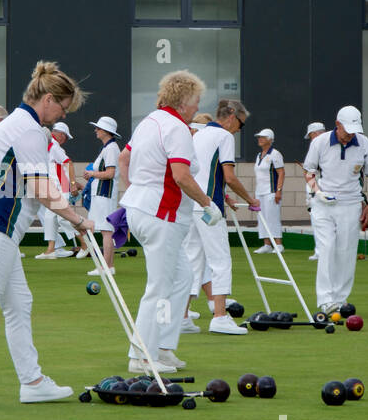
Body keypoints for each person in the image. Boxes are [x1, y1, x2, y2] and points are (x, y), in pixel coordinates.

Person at [0, 62, 91, 409]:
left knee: (19, 304)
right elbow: (39, 187)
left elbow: (34, 184)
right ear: (49, 99)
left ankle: (33, 382)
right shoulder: (28, 129)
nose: (60, 116)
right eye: (62, 108)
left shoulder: (20, 125)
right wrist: (78, 221)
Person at [117, 70, 222, 375]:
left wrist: (134, 191)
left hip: (145, 210)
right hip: (162, 214)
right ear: (185, 100)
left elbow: (125, 160)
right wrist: (207, 203)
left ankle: (161, 347)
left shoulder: (148, 122)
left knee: (181, 278)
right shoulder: (176, 128)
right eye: (196, 101)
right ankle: (141, 355)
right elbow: (181, 176)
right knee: (160, 285)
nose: (198, 106)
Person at [182, 98, 258, 336]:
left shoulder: (198, 135)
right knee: (221, 260)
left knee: (193, 261)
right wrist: (251, 199)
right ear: (232, 116)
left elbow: (203, 173)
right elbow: (230, 176)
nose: (239, 130)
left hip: (192, 204)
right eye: (241, 125)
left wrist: (225, 196)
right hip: (209, 208)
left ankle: (182, 317)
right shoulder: (225, 137)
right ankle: (219, 317)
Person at [302, 106, 368, 315]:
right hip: (323, 204)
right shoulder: (320, 142)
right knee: (326, 249)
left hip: (351, 203)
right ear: (337, 125)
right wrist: (317, 192)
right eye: (347, 130)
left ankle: (341, 298)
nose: (350, 135)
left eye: (354, 130)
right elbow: (308, 172)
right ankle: (326, 300)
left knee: (346, 252)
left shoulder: (364, 143)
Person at [81, 115, 123, 276]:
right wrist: (92, 175)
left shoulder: (111, 148)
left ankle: (106, 267)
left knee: (106, 230)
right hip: (101, 194)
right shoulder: (108, 148)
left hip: (104, 194)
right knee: (106, 230)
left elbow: (111, 173)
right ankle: (108, 266)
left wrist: (92, 173)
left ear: (106, 131)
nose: (96, 130)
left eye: (98, 128)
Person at [36, 122, 78, 259]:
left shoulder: (54, 147)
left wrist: (72, 184)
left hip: (61, 188)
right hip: (55, 188)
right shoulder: (50, 146)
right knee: (49, 218)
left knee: (63, 218)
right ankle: (51, 250)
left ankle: (84, 244)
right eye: (66, 137)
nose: (65, 140)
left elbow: (68, 163)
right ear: (60, 135)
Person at [252, 128, 285, 253]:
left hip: (271, 191)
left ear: (270, 140)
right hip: (259, 191)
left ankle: (279, 244)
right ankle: (267, 244)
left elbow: (281, 173)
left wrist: (279, 191)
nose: (260, 139)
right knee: (262, 218)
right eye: (259, 137)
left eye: (263, 137)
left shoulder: (275, 154)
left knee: (272, 217)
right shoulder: (258, 156)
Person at [303, 122, 326, 260]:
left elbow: (311, 171)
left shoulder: (318, 145)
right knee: (317, 223)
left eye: (311, 135)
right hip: (316, 189)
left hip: (319, 190)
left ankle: (321, 252)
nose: (311, 138)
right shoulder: (318, 145)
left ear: (316, 133)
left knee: (320, 222)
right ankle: (319, 251)